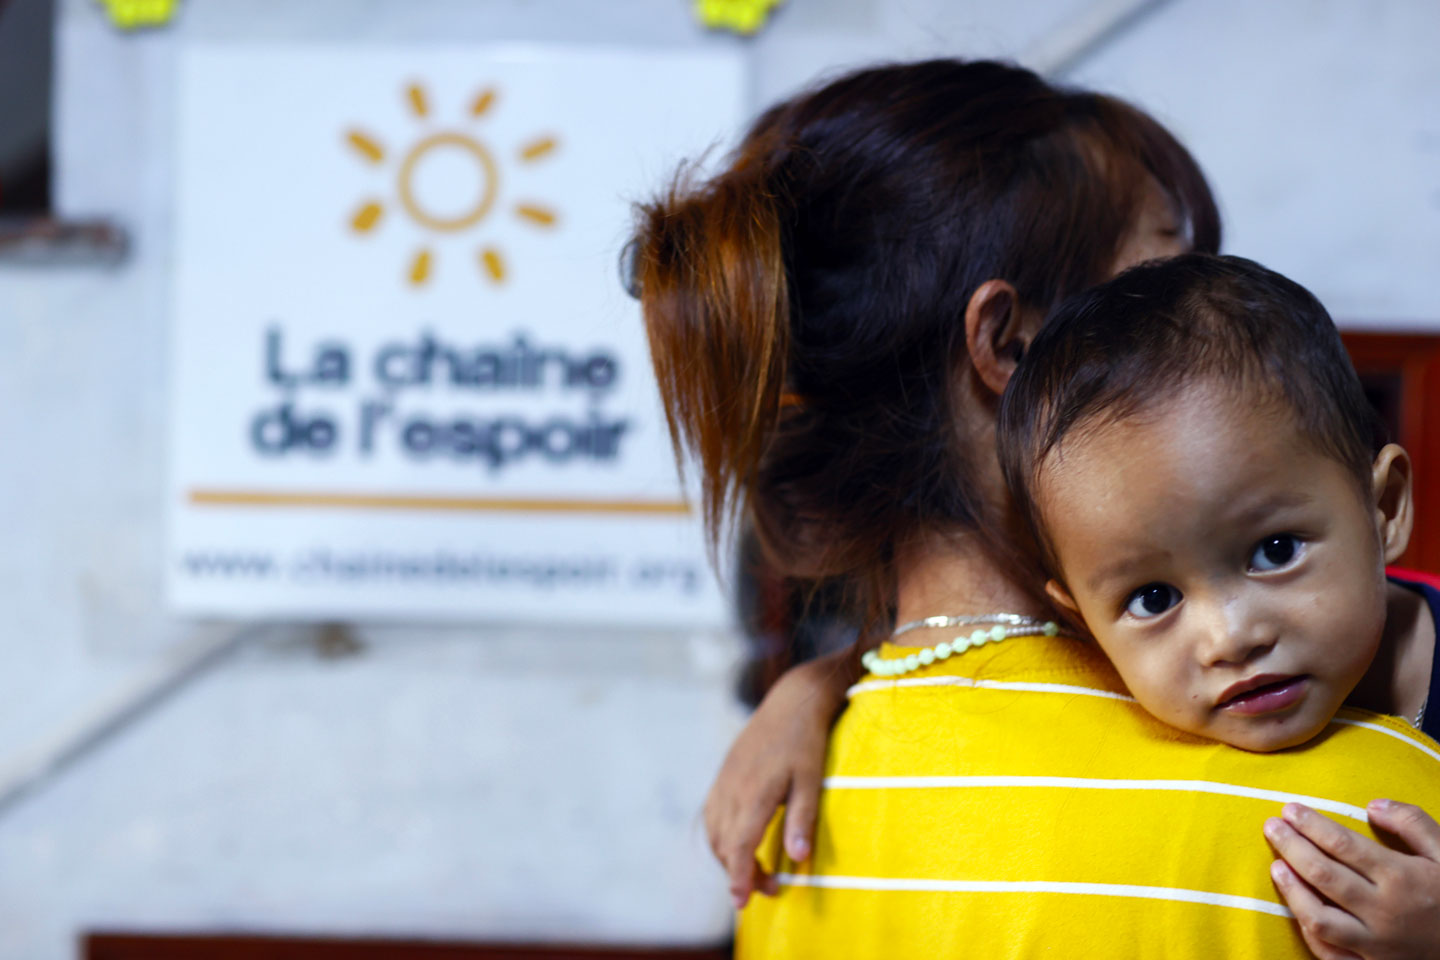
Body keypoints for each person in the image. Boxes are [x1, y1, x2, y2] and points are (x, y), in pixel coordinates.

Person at [631, 59, 1440, 958]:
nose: (1232, 638)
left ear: (1386, 505)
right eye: (1162, 275)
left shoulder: (787, 825)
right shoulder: (1361, 814)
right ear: (1014, 346)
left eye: (1277, 549)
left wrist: (827, 685)